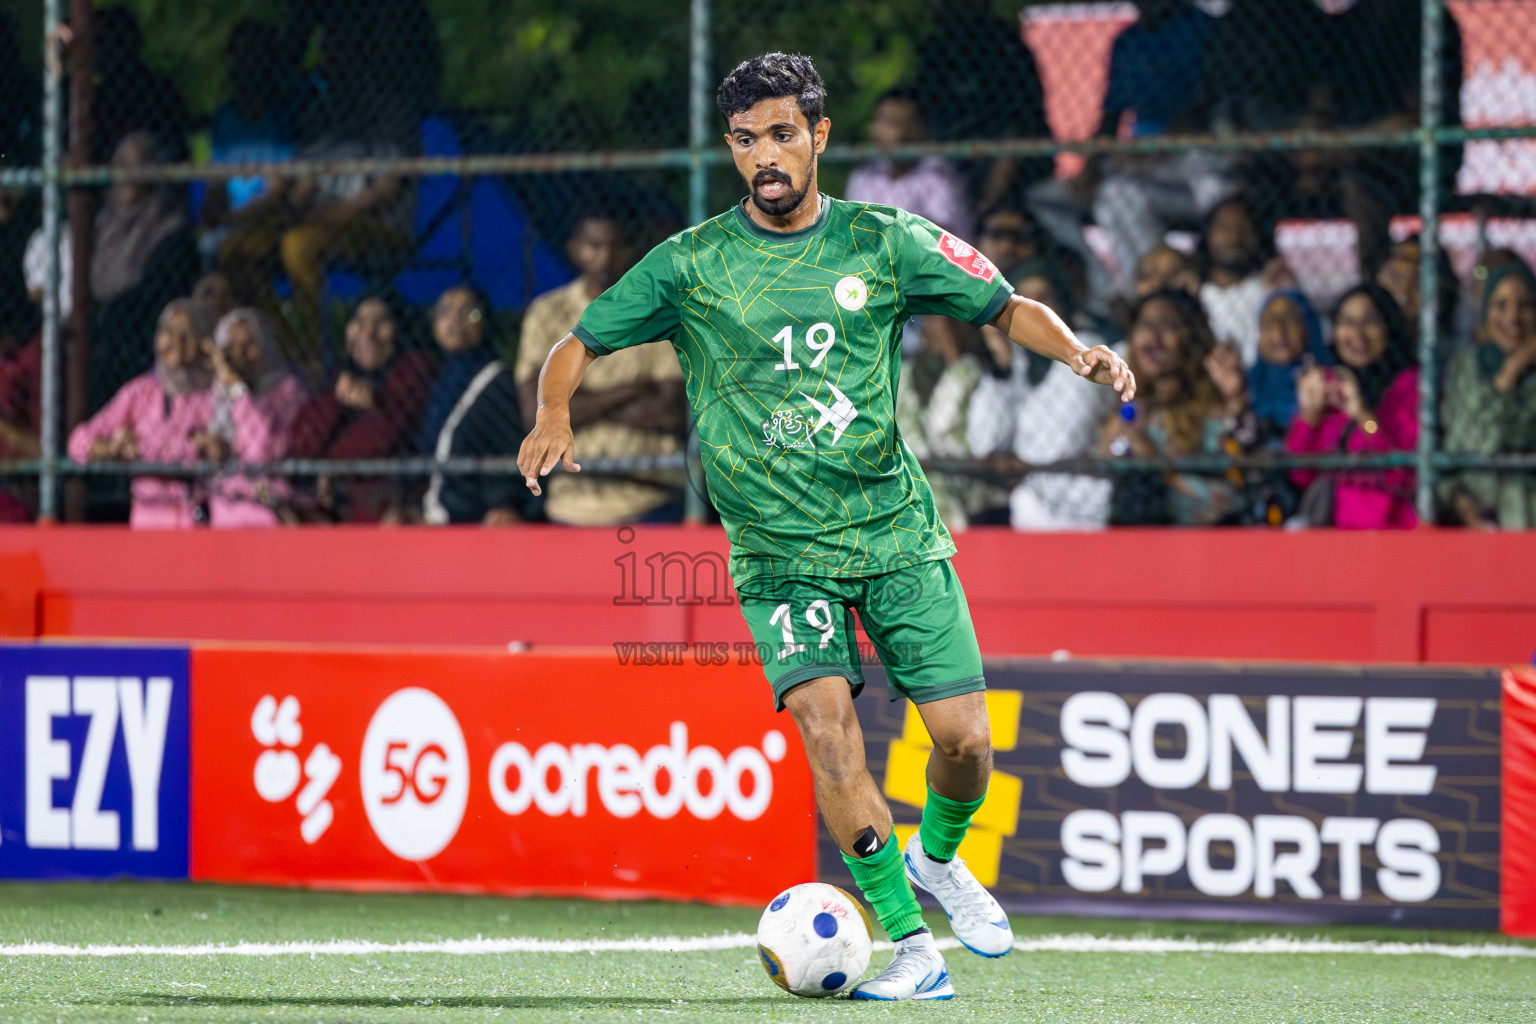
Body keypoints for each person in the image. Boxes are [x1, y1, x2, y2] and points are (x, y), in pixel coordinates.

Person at [518, 53, 1134, 1001]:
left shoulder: (884, 240)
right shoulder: (690, 264)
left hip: (894, 534)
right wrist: (554, 411)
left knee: (966, 742)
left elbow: (1004, 305)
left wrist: (1078, 352)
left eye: (781, 134)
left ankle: (937, 859)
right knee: (827, 724)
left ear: (819, 136)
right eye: (745, 140)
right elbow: (577, 342)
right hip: (778, 555)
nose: (764, 156)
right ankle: (910, 945)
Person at [515, 215, 686, 525]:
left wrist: (573, 403)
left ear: (632, 250)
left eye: (615, 247)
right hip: (570, 500)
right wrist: (630, 391)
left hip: (650, 498)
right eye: (594, 246)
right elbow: (533, 413)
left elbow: (670, 413)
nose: (605, 257)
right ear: (574, 249)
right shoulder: (547, 312)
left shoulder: (659, 310)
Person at [968, 259, 1119, 529]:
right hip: (1031, 514)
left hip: (1084, 513)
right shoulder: (1019, 362)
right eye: (1024, 302)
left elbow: (1060, 443)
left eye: (1044, 298)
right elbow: (983, 443)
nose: (1035, 309)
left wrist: (1016, 461)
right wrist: (1002, 367)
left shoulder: (1088, 351)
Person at [66, 299, 217, 528]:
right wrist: (111, 449)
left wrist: (143, 449)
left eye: (187, 333)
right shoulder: (141, 392)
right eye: (168, 332)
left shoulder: (214, 395)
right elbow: (78, 442)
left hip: (198, 519)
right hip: (148, 519)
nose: (176, 341)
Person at [1099, 288, 1243, 525]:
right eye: (1146, 324)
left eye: (1169, 326)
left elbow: (1230, 496)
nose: (1154, 336)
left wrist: (1153, 463)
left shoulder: (1213, 406)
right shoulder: (1130, 404)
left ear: (1190, 339)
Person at [289, 292, 435, 521]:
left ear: (399, 329)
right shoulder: (341, 376)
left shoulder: (414, 368)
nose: (368, 333)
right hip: (329, 493)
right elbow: (301, 445)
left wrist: (375, 403)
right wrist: (336, 400)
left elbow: (385, 434)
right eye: (358, 321)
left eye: (382, 322)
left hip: (389, 492)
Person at [1287, 283, 1419, 530]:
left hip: (1389, 529)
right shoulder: (1329, 383)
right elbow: (1299, 475)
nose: (1357, 333)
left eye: (1370, 322)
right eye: (1347, 322)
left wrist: (1362, 416)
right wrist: (1309, 417)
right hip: (1331, 531)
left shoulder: (1409, 386)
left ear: (1388, 328)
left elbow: (1402, 476)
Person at [89, 131, 199, 410]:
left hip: (140, 329)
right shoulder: (103, 222)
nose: (129, 174)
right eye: (123, 164)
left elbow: (157, 290)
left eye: (138, 165)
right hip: (102, 323)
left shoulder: (168, 226)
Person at [422, 284, 533, 525]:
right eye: (444, 312)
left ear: (486, 322)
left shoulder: (496, 380)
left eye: (469, 313)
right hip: (439, 510)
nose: (455, 320)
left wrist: (505, 502)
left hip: (476, 515)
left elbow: (511, 446)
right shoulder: (438, 381)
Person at [1439, 261, 1536, 529]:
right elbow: (1474, 444)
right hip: (1473, 506)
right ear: (1484, 312)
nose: (1513, 317)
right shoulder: (1466, 366)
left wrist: (1515, 369)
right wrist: (1509, 373)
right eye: (1500, 305)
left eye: (1525, 305)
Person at [202, 309, 308, 526]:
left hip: (269, 501)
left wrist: (237, 389)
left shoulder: (288, 390)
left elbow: (262, 449)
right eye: (230, 347)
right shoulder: (216, 393)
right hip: (225, 503)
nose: (239, 354)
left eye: (249, 345)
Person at [845, 90, 969, 238]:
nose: (900, 134)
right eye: (883, 121)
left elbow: (936, 237)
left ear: (919, 129)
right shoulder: (865, 175)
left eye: (895, 124)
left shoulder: (936, 175)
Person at [1197, 198, 1279, 368]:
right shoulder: (1195, 295)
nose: (1234, 236)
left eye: (1244, 228)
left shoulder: (1271, 291)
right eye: (1224, 227)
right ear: (1208, 234)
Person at [1249, 289, 1331, 439]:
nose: (1278, 332)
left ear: (1308, 327)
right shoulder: (1246, 386)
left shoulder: (1333, 386)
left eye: (1290, 320)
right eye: (1269, 323)